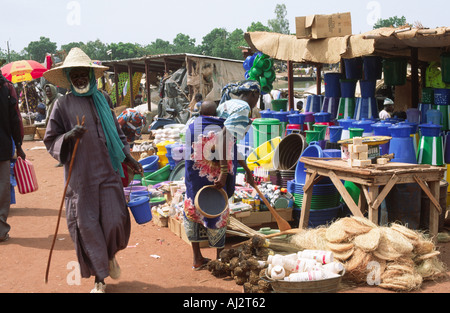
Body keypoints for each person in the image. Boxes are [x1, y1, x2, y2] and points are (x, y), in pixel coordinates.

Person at [43, 48, 143, 293]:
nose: (79, 79)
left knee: (114, 221)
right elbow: (50, 139)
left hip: (108, 172)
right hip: (81, 177)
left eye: (83, 74)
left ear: (91, 76)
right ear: (68, 77)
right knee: (87, 227)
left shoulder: (103, 99)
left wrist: (129, 157)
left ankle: (109, 256)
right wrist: (68, 135)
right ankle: (100, 277)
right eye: (74, 75)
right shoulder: (62, 104)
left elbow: (117, 134)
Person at [183, 80, 258, 270]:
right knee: (217, 211)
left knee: (193, 210)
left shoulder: (191, 125)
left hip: (194, 179)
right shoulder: (223, 122)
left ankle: (197, 258)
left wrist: (247, 170)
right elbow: (225, 144)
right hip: (215, 177)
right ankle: (219, 258)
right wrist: (224, 173)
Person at [0, 73, 26, 243]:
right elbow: (15, 118)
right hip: (2, 147)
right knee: (2, 189)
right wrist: (18, 144)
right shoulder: (6, 88)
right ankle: (1, 230)